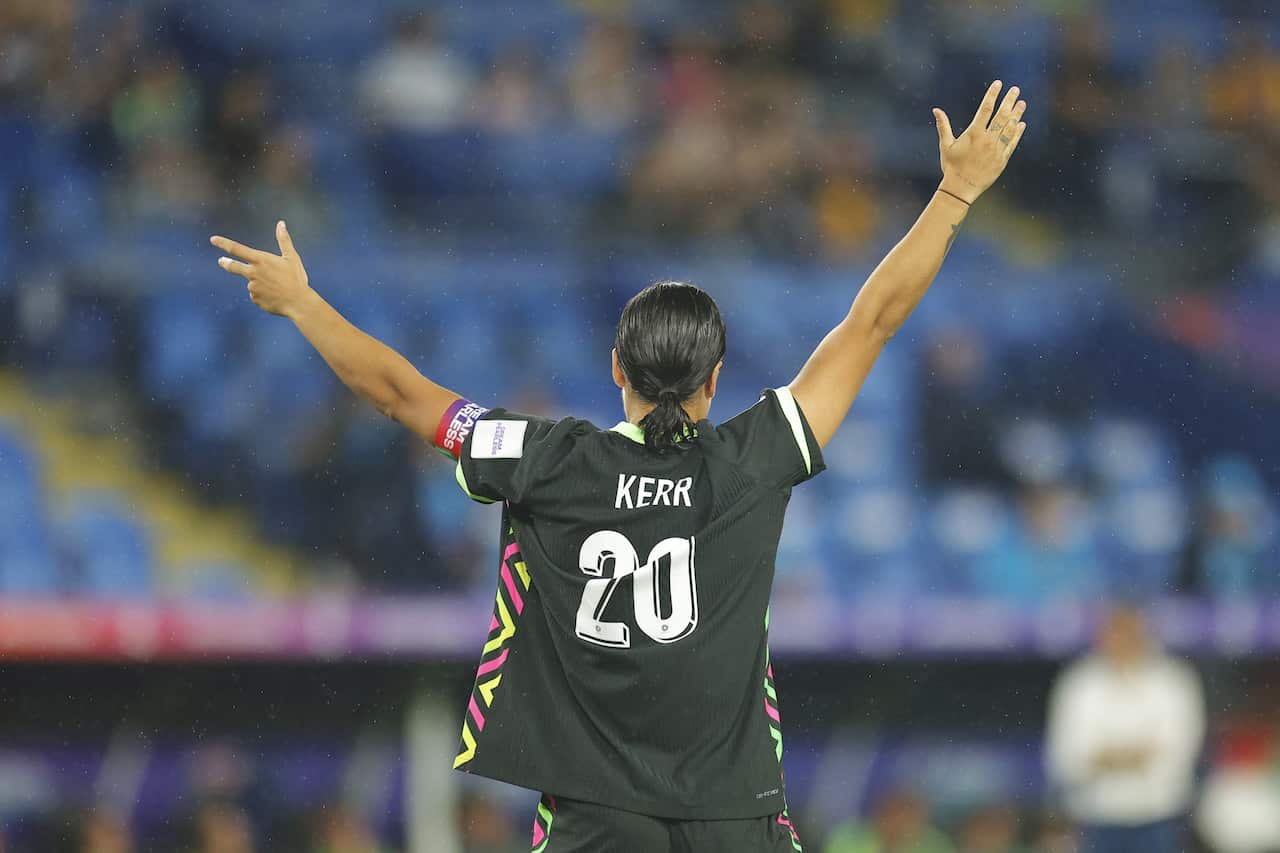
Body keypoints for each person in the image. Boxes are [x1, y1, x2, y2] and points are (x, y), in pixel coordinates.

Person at [210, 81, 1028, 853]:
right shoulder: (756, 457)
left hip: (594, 817)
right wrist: (954, 193)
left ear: (615, 369)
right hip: (732, 811)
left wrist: (303, 302)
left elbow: (400, 393)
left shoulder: (543, 460)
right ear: (714, 381)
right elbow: (871, 322)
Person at [1045, 606, 1205, 853]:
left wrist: (1109, 759)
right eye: (1115, 634)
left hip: (1158, 812)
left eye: (1129, 633)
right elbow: (1067, 752)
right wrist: (1135, 756)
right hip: (1096, 813)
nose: (1122, 642)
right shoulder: (1080, 682)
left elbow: (1180, 746)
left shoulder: (1173, 680)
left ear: (1145, 635)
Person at [823, 790, 955, 853]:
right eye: (893, 814)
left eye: (907, 818)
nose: (898, 824)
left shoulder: (936, 844)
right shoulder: (851, 835)